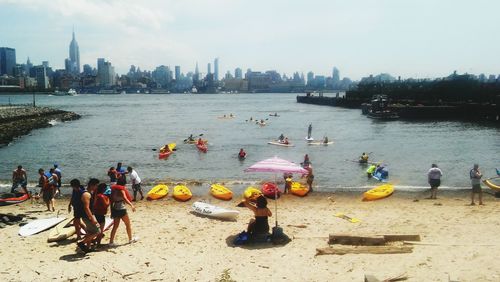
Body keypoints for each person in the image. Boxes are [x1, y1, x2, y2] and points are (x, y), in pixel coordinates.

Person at [109, 178, 138, 246]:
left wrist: (111, 211)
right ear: (123, 184)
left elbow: (111, 201)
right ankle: (130, 239)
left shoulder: (113, 189)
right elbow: (125, 198)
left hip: (115, 208)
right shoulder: (121, 190)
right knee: (128, 224)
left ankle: (111, 242)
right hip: (121, 209)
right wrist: (131, 205)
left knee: (115, 226)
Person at [77, 178, 101, 253]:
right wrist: (92, 218)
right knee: (97, 231)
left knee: (90, 232)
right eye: (96, 186)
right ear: (91, 185)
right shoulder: (86, 194)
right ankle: (82, 243)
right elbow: (86, 208)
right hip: (87, 216)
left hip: (88, 216)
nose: (96, 187)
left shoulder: (89, 193)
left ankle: (87, 247)